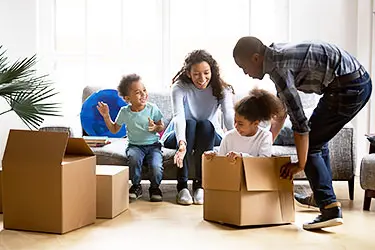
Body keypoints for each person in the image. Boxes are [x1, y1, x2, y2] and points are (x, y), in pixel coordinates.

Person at [232, 36, 372, 230]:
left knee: (312, 141)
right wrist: (265, 142)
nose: (245, 73)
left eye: (244, 67)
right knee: (318, 140)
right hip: (350, 82)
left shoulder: (278, 69)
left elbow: (300, 124)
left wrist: (300, 163)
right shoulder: (275, 54)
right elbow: (281, 112)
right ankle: (322, 196)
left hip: (349, 86)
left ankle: (329, 208)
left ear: (256, 58)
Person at [161, 50, 235, 205]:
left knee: (205, 125)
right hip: (179, 135)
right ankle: (182, 187)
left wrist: (236, 139)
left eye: (206, 73)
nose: (202, 79)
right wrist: (181, 144)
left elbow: (229, 116)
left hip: (209, 134)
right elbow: (179, 117)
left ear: (212, 71)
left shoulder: (222, 89)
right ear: (188, 73)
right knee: (190, 124)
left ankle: (200, 186)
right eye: (196, 74)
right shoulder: (179, 87)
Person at [97, 74, 165, 202]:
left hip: (153, 145)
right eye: (138, 92)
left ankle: (155, 188)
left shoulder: (152, 109)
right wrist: (106, 116)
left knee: (156, 166)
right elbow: (114, 129)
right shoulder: (124, 112)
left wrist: (155, 127)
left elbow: (161, 126)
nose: (143, 94)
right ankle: (136, 186)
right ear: (128, 98)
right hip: (135, 145)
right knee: (134, 159)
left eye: (144, 90)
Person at [204, 88, 285, 161]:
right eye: (235, 121)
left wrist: (242, 156)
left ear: (255, 123)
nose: (235, 126)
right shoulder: (228, 137)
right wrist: (214, 155)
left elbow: (263, 162)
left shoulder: (265, 136)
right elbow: (222, 158)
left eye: (240, 124)